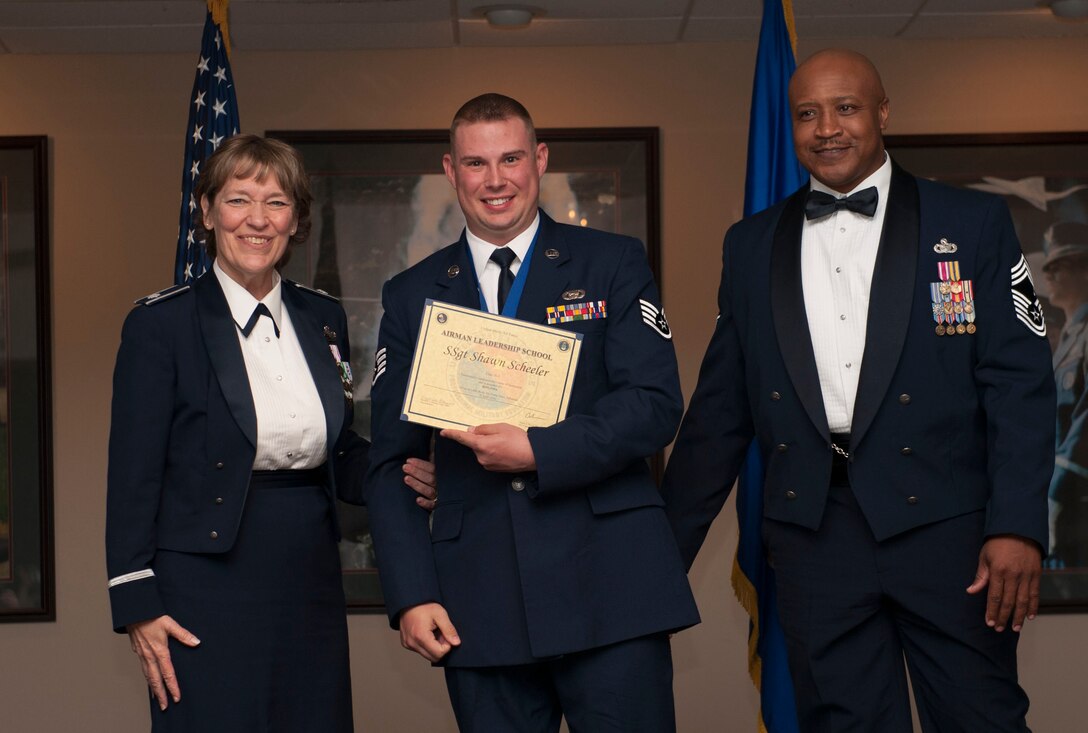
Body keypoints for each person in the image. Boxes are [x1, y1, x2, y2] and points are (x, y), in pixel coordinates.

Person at [661, 49, 1055, 732]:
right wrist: (661, 552)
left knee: (980, 718)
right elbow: (721, 412)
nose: (826, 128)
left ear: (882, 113)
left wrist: (1017, 524)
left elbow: (1019, 385)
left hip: (949, 532)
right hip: (816, 538)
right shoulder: (751, 244)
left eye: (845, 107)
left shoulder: (970, 224)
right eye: (807, 113)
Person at [364, 93, 699, 733]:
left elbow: (656, 406)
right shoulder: (411, 296)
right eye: (475, 163)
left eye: (511, 158)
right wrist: (411, 592)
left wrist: (540, 450)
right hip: (476, 600)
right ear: (450, 170)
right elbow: (390, 463)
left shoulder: (611, 263)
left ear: (539, 159)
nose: (495, 180)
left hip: (610, 587)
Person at [105, 134, 435, 732]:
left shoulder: (322, 316)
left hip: (307, 572)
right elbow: (133, 474)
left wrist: (412, 466)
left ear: (296, 219)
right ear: (206, 212)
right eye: (238, 200)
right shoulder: (160, 324)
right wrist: (136, 604)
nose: (258, 220)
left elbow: (337, 450)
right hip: (202, 583)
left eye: (277, 202)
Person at [1042, 221, 1088, 569]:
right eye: (1047, 266)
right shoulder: (1068, 340)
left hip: (1077, 494)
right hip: (1060, 495)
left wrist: (1059, 489)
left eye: (1060, 265)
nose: (1049, 273)